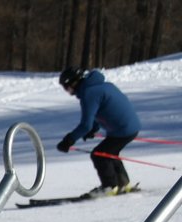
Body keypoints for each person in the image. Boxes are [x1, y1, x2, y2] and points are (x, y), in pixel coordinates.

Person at [56, 68, 141, 196]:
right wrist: (94, 128)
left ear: (73, 83)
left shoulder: (88, 93)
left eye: (66, 87)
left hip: (122, 129)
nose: (67, 91)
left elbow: (85, 125)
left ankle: (110, 187)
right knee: (110, 153)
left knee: (99, 154)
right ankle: (123, 184)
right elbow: (100, 111)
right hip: (130, 127)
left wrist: (69, 140)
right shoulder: (100, 86)